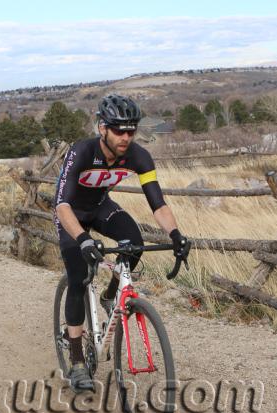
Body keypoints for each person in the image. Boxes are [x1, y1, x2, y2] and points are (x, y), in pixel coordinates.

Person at [53, 94, 191, 392]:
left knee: (135, 243)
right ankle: (77, 363)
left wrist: (175, 235)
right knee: (78, 278)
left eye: (131, 130)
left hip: (101, 207)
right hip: (71, 215)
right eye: (119, 130)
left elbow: (157, 203)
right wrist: (83, 238)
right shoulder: (81, 151)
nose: (126, 137)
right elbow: (62, 205)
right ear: (102, 127)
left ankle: (111, 294)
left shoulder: (140, 156)